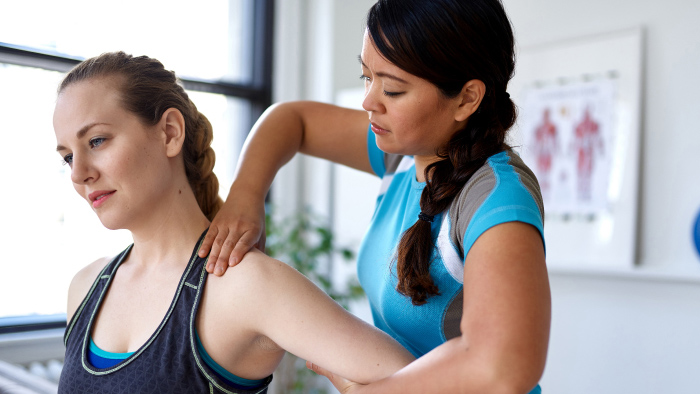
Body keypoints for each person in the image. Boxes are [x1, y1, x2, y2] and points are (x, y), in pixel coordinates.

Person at [198, 0, 551, 393]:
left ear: (467, 98)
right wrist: (245, 196)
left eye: (393, 89)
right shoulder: (404, 155)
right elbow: (291, 120)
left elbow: (504, 367)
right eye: (366, 76)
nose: (369, 101)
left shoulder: (496, 198)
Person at [53, 51, 415, 394]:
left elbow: (428, 383)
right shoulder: (84, 288)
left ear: (170, 133)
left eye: (97, 141)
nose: (79, 173)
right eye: (68, 157)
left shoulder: (245, 285)